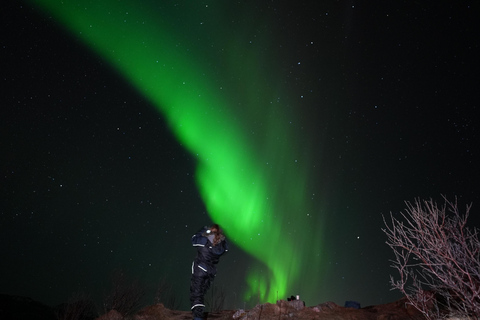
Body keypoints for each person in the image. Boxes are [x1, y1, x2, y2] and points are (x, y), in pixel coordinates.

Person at [190, 224, 228, 320]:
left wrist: (204, 229)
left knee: (196, 294)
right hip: (210, 272)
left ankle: (198, 317)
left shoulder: (204, 241)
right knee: (201, 294)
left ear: (211, 231)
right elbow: (226, 248)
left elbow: (193, 239)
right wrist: (222, 238)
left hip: (200, 270)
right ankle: (199, 315)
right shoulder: (220, 245)